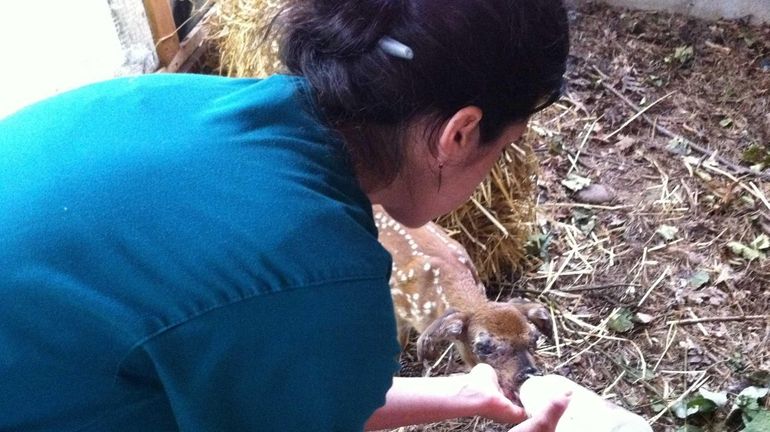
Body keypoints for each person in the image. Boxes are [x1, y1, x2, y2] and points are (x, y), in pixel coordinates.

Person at [0, 0, 570, 430]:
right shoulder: (316, 275)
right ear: (460, 134)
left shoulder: (193, 100)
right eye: (505, 146)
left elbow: (302, 392)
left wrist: (466, 396)